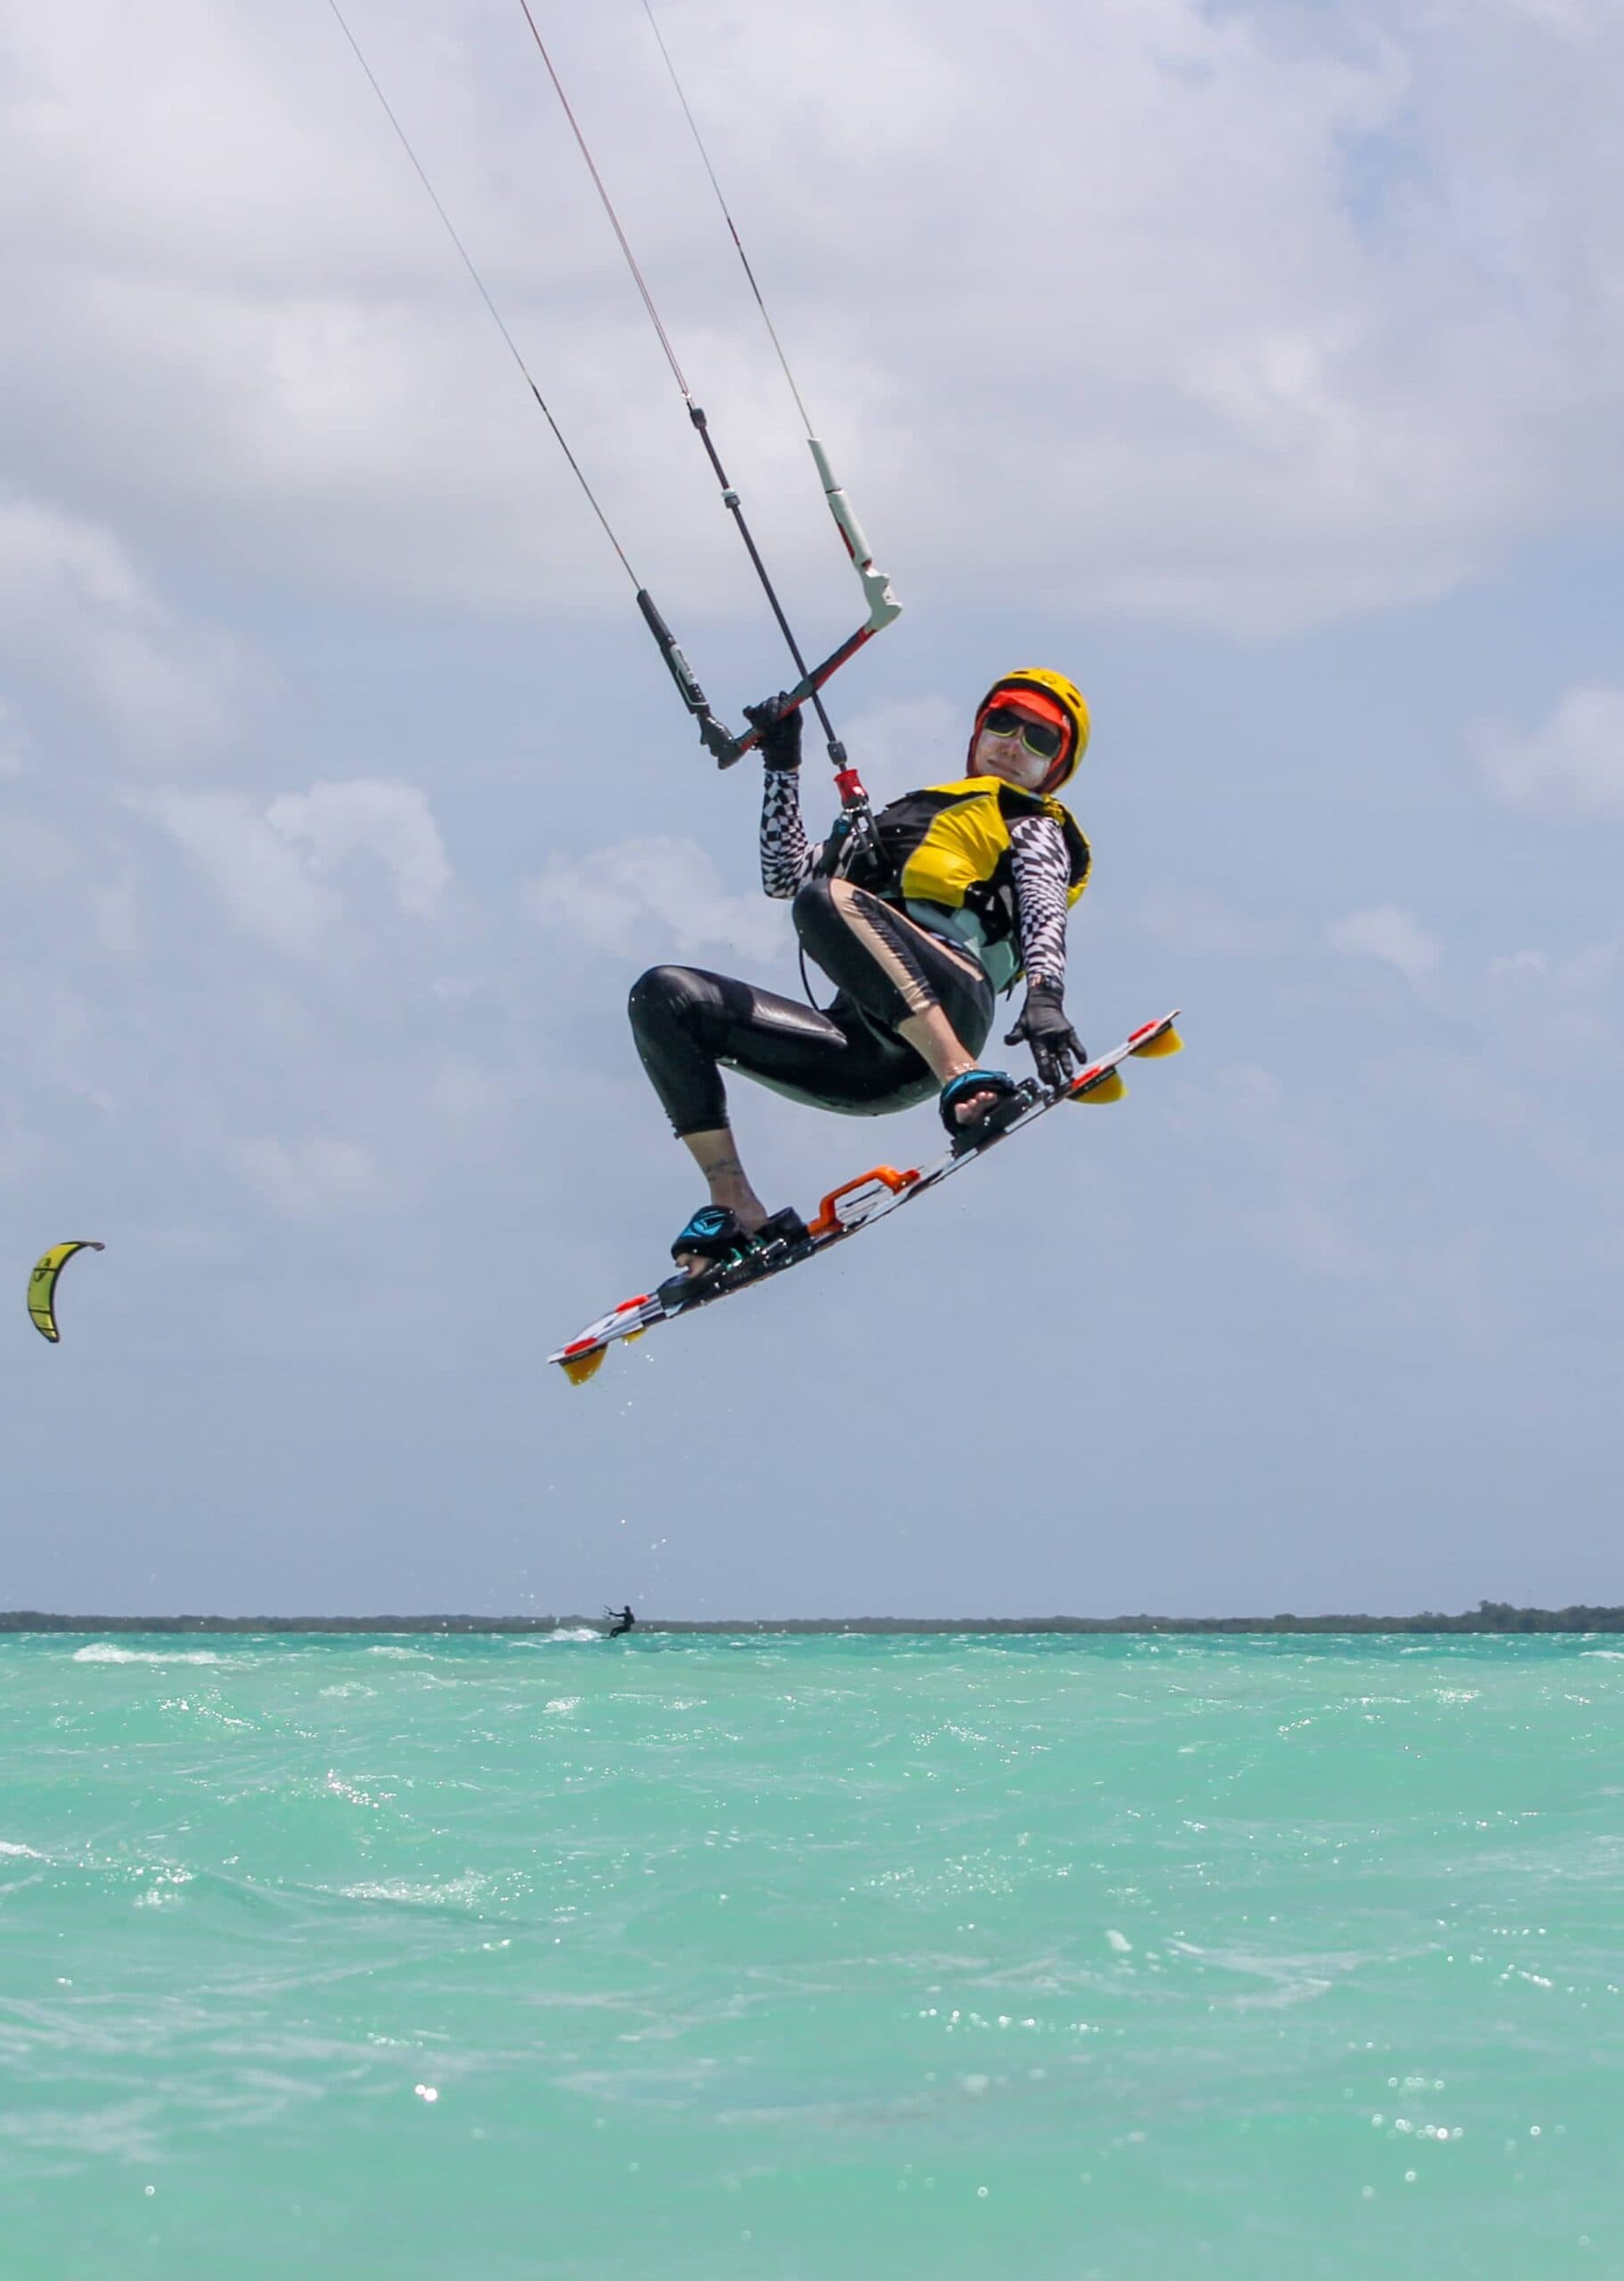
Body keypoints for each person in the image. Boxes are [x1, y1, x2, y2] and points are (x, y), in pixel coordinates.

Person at [628, 670, 1093, 1280]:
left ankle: (966, 1083)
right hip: (862, 1059)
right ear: (979, 731)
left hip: (953, 1004)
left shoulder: (1032, 823)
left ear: (1056, 767)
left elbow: (1041, 907)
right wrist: (782, 767)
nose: (1012, 744)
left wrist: (1045, 996)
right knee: (664, 994)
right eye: (1003, 724)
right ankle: (735, 1207)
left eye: (1039, 740)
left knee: (824, 899)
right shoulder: (904, 818)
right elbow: (783, 876)